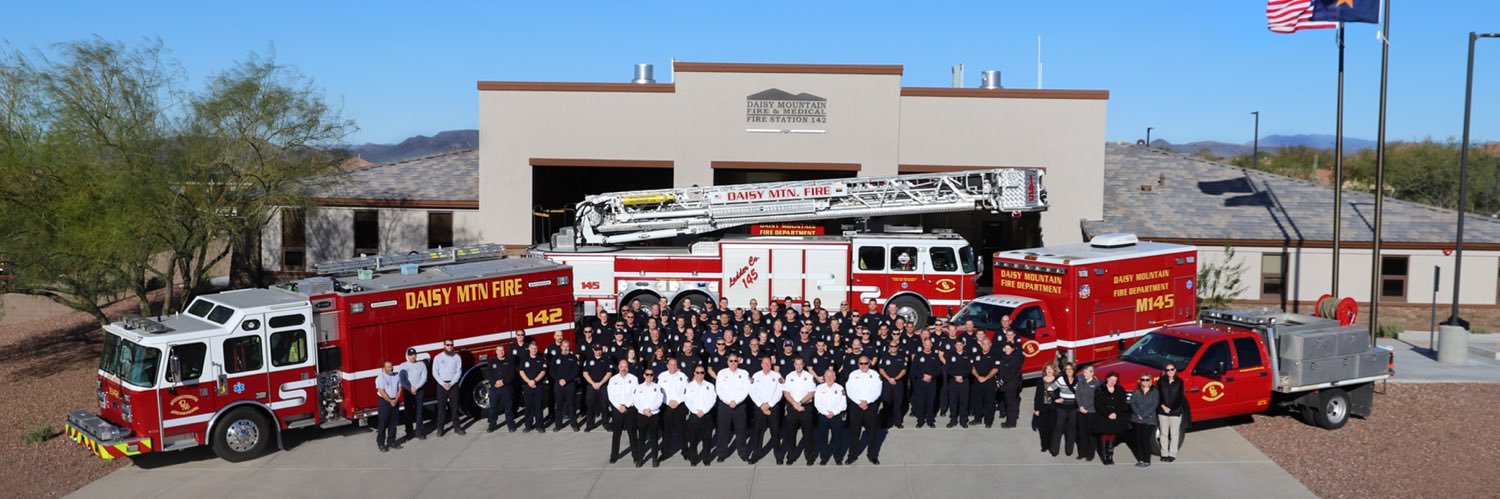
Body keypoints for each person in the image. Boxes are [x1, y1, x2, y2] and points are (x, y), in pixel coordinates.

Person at [845, 355, 883, 465]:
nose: (863, 365)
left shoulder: (875, 375)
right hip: (856, 407)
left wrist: (867, 402)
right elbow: (850, 390)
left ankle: (872, 455)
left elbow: (877, 391)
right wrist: (859, 402)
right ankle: (852, 456)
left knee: (872, 433)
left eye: (865, 363)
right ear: (858, 364)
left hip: (870, 407)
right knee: (854, 433)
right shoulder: (853, 375)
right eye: (861, 363)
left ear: (869, 363)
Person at [715, 353, 751, 462]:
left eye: (735, 361)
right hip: (725, 406)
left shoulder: (744, 373)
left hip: (739, 406)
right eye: (731, 361)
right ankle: (721, 453)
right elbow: (719, 390)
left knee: (741, 430)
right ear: (727, 362)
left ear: (738, 361)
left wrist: (736, 401)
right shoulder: (722, 373)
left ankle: (743, 453)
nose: (733, 363)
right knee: (723, 431)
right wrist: (728, 401)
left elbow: (746, 389)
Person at [781, 357, 818, 466]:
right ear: (794, 365)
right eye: (796, 364)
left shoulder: (809, 376)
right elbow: (786, 393)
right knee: (791, 435)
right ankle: (791, 456)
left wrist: (800, 403)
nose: (798, 366)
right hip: (793, 408)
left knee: (808, 435)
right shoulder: (789, 376)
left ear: (803, 364)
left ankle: (809, 457)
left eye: (800, 364)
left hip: (805, 407)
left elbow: (812, 392)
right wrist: (795, 404)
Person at [748, 356, 785, 464]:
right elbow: (752, 392)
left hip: (773, 408)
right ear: (761, 364)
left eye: (768, 363)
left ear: (771, 364)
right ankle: (755, 455)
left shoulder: (777, 376)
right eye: (764, 363)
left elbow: (779, 392)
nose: (766, 365)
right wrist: (761, 405)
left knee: (775, 432)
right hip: (759, 408)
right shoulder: (756, 375)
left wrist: (769, 405)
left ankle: (778, 456)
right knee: (758, 433)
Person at [1093, 371, 1130, 465]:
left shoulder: (1120, 389)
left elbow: (1123, 403)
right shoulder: (1100, 389)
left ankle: (1110, 455)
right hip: (1104, 417)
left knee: (1112, 435)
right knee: (1105, 435)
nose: (1113, 382)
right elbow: (1098, 404)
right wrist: (1108, 414)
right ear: (1107, 378)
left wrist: (1116, 413)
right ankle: (1104, 455)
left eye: (1115, 380)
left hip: (1116, 416)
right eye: (1111, 379)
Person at [683, 365, 717, 466]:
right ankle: (694, 459)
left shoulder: (710, 386)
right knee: (693, 439)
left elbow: (712, 400)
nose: (700, 374)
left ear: (704, 374)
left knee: (707, 439)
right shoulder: (689, 386)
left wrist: (704, 411)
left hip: (707, 415)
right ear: (694, 373)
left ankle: (706, 458)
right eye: (697, 372)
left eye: (702, 372)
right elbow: (687, 401)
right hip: (694, 415)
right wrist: (696, 411)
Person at [630, 368, 665, 467]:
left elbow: (659, 400)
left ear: (653, 376)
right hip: (642, 415)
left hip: (653, 415)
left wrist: (651, 410)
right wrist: (644, 410)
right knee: (641, 439)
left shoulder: (658, 387)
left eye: (651, 374)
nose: (649, 376)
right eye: (647, 374)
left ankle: (655, 459)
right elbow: (636, 401)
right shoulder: (639, 387)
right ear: (644, 375)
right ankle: (640, 459)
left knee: (654, 438)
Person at [606, 359, 639, 464]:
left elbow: (636, 394)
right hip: (617, 410)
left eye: (625, 367)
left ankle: (635, 455)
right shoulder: (613, 380)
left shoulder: (634, 379)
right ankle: (614, 455)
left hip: (630, 409)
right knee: (616, 433)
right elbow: (611, 395)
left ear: (628, 368)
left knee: (632, 433)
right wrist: (619, 406)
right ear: (619, 367)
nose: (623, 369)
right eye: (622, 367)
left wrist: (626, 406)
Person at [813, 368, 848, 466]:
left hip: (836, 416)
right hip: (823, 416)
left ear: (835, 377)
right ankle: (824, 457)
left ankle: (838, 457)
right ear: (824, 377)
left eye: (832, 376)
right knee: (823, 438)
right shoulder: (819, 388)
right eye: (827, 376)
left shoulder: (840, 388)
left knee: (837, 438)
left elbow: (843, 404)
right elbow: (817, 403)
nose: (829, 378)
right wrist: (826, 412)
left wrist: (834, 412)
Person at [432, 339, 465, 436]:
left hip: (453, 385)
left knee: (454, 407)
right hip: (442, 385)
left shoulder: (457, 357)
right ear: (444, 346)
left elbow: (459, 371)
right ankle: (440, 429)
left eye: (451, 345)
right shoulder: (438, 357)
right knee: (441, 408)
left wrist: (451, 383)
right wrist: (443, 383)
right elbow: (435, 372)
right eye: (447, 345)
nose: (450, 347)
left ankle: (457, 427)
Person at [482, 345, 517, 433]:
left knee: (508, 408)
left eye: (502, 350)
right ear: (496, 352)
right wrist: (495, 382)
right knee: (493, 407)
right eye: (499, 350)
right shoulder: (492, 361)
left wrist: (504, 382)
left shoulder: (509, 361)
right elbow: (488, 374)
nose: (501, 352)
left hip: (506, 388)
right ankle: (492, 425)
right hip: (495, 388)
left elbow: (512, 374)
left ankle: (511, 425)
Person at [659, 358, 689, 455]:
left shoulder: (683, 376)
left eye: (675, 365)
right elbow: (659, 393)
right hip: (666, 407)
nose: (673, 367)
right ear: (667, 366)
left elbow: (687, 391)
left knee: (682, 430)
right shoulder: (662, 376)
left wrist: (678, 401)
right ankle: (665, 451)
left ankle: (685, 451)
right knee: (666, 430)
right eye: (671, 365)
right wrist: (668, 402)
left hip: (679, 406)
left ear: (677, 366)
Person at [1129, 374, 1160, 468]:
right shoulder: (1136, 391)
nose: (1145, 382)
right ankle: (1141, 460)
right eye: (1143, 380)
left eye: (1147, 380)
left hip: (1149, 419)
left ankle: (1147, 460)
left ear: (1150, 381)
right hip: (1137, 419)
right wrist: (1138, 414)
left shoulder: (1154, 392)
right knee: (1138, 440)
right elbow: (1132, 403)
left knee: (1145, 439)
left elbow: (1154, 405)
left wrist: (1144, 415)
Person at [910, 338, 942, 428]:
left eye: (929, 345)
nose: (927, 346)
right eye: (926, 344)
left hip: (932, 383)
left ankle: (930, 420)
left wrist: (931, 376)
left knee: (931, 402)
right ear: (923, 345)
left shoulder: (935, 356)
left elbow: (939, 369)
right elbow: (913, 369)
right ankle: (920, 420)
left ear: (931, 345)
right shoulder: (918, 355)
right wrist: (922, 376)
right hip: (920, 383)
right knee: (920, 402)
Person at [1157, 362, 1185, 463]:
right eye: (1168, 370)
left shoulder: (1179, 382)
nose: (1170, 372)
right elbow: (1158, 395)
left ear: (1175, 370)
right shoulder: (1161, 381)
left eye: (1172, 369)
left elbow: (1180, 398)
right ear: (1165, 371)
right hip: (1162, 411)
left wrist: (1171, 408)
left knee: (1174, 434)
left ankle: (1172, 454)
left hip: (1175, 411)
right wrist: (1163, 406)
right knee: (1163, 433)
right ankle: (1164, 454)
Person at [969, 338, 1001, 428]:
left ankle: (988, 421)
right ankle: (977, 419)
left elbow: (995, 369)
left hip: (989, 382)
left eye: (987, 344)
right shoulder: (976, 355)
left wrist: (986, 378)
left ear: (990, 344)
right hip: (978, 381)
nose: (985, 345)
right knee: (977, 401)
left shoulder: (995, 355)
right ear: (981, 344)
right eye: (983, 344)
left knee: (989, 402)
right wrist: (978, 376)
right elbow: (972, 367)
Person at [399, 348, 429, 441]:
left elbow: (424, 378)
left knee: (419, 412)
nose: (413, 356)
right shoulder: (403, 365)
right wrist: (410, 388)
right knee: (408, 413)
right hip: (408, 392)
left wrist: (416, 387)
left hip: (419, 391)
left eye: (414, 354)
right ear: (407, 356)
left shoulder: (421, 365)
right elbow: (402, 379)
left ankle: (419, 432)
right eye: (411, 355)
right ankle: (409, 433)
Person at [550, 340, 581, 431]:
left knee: (571, 405)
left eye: (567, 346)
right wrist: (559, 379)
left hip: (570, 384)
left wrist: (566, 380)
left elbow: (575, 371)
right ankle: (558, 425)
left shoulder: (573, 358)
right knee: (559, 405)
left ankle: (574, 424)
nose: (566, 348)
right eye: (564, 346)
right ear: (561, 347)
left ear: (569, 347)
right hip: (558, 384)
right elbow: (552, 371)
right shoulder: (555, 358)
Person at [942, 338, 972, 428]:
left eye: (960, 345)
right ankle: (953, 420)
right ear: (955, 346)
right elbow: (948, 368)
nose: (959, 347)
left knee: (964, 401)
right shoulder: (950, 355)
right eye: (957, 345)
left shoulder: (968, 355)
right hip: (953, 381)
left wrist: (962, 377)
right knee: (953, 402)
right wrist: (956, 377)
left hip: (964, 381)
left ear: (963, 345)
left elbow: (969, 368)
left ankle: (963, 420)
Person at [519, 341, 549, 432]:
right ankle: (528, 425)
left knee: (538, 406)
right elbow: (521, 371)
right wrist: (529, 381)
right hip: (527, 386)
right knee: (528, 406)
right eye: (532, 348)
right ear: (529, 349)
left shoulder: (541, 359)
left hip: (538, 386)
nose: (534, 350)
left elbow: (543, 372)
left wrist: (535, 381)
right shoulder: (524, 359)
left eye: (535, 348)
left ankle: (539, 426)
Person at [1049, 362, 1078, 457]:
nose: (1069, 371)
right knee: (1058, 429)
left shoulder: (1078, 380)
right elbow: (1050, 389)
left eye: (1071, 369)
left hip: (1074, 409)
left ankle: (1069, 450)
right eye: (1067, 369)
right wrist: (1055, 399)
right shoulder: (1061, 379)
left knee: (1071, 430)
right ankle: (1054, 451)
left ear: (1074, 370)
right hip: (1062, 408)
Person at [877, 341, 908, 429]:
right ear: (889, 347)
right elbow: (881, 369)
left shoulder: (901, 357)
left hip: (898, 383)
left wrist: (896, 378)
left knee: (898, 404)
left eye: (895, 346)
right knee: (886, 403)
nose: (893, 348)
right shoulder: (884, 357)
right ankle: (884, 422)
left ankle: (898, 422)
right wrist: (889, 378)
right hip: (887, 383)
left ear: (897, 347)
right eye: (891, 346)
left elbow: (904, 370)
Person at [582, 345, 613, 431]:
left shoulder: (607, 359)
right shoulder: (588, 360)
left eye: (599, 350)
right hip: (591, 387)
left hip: (603, 386)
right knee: (590, 406)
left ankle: (605, 423)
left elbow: (609, 373)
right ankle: (590, 424)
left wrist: (600, 383)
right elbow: (585, 373)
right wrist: (593, 383)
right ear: (593, 350)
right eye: (596, 350)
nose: (598, 351)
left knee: (604, 406)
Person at [1074, 364, 1101, 461]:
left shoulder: (1096, 384)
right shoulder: (1081, 383)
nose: (1084, 374)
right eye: (1084, 372)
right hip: (1080, 411)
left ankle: (1090, 454)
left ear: (1092, 373)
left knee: (1090, 434)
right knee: (1082, 433)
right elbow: (1078, 396)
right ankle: (1082, 453)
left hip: (1091, 412)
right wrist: (1081, 406)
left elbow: (1095, 398)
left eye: (1086, 372)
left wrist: (1085, 407)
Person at [375, 361, 403, 452]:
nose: (391, 368)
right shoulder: (380, 378)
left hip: (395, 401)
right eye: (388, 367)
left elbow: (400, 389)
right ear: (384, 368)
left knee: (393, 424)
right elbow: (382, 391)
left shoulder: (397, 376)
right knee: (383, 424)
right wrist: (390, 400)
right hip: (385, 402)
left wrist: (396, 400)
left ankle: (391, 442)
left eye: (391, 366)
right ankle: (381, 443)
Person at [997, 342, 1023, 428]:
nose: (1007, 350)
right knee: (1008, 404)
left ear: (1012, 349)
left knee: (1011, 405)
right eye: (1006, 348)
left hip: (1011, 385)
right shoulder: (1003, 357)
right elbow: (1001, 370)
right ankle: (1008, 421)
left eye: (1009, 348)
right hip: (1005, 384)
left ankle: (1011, 423)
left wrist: (1002, 380)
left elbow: (1012, 373)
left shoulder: (1015, 359)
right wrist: (999, 379)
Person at [1033, 363, 1058, 453]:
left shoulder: (1057, 381)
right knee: (1043, 429)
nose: (1049, 370)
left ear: (1054, 370)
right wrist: (1036, 409)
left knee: (1052, 428)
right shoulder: (1040, 381)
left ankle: (1051, 446)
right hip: (1043, 407)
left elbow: (1060, 394)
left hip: (1053, 408)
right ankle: (1044, 446)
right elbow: (1037, 395)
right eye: (1047, 369)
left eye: (1051, 369)